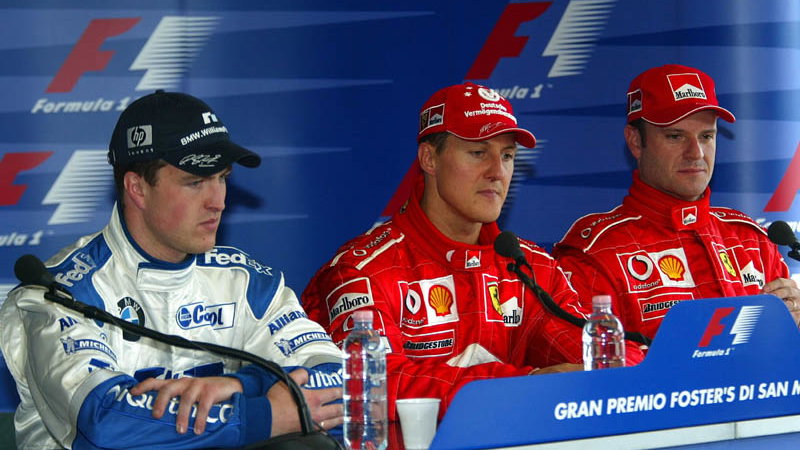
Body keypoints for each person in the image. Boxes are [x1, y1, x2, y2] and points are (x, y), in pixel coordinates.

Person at [0, 90, 344, 449]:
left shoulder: (244, 282)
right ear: (137, 188)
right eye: (195, 182)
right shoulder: (61, 294)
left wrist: (242, 385)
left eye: (222, 178)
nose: (218, 201)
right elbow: (103, 424)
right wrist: (261, 416)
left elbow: (343, 380)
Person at [301, 82, 644, 420]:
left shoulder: (529, 267)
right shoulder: (363, 271)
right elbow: (374, 383)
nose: (498, 172)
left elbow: (602, 354)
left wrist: (626, 367)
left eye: (507, 156)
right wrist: (523, 385)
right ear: (429, 159)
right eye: (479, 153)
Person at [552, 64, 800, 342]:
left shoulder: (751, 240)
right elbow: (590, 361)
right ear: (635, 142)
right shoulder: (596, 253)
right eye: (675, 136)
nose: (696, 153)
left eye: (706, 136)